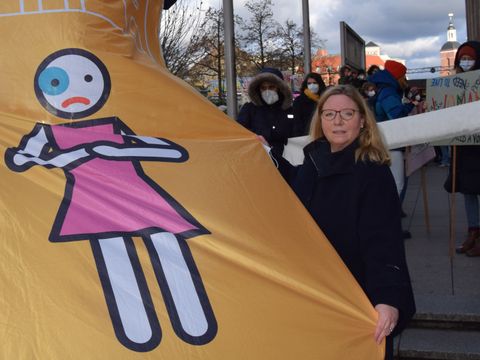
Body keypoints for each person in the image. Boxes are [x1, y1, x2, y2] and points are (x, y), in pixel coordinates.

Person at [271, 85, 415, 360]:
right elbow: (294, 183)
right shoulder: (316, 161)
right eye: (330, 113)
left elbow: (383, 241)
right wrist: (265, 155)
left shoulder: (372, 173)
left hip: (354, 293)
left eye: (347, 113)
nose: (337, 121)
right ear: (320, 120)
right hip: (316, 294)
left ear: (362, 121)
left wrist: (387, 299)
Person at [369, 60, 419, 238]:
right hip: (391, 144)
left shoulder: (384, 90)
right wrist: (411, 104)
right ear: (397, 76)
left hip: (385, 143)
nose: (405, 80)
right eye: (403, 76)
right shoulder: (389, 92)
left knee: (390, 185)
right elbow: (396, 114)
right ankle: (389, 227)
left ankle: (386, 225)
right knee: (395, 186)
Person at [444, 40, 480, 256]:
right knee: (468, 190)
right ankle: (473, 231)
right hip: (465, 146)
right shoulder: (454, 83)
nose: (466, 62)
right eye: (463, 59)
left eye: (470, 58)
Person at [237, 67, 294, 158]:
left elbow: (297, 133)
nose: (267, 91)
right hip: (256, 157)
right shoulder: (249, 109)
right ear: (258, 89)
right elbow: (240, 131)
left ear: (279, 88)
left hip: (286, 160)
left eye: (271, 87)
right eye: (263, 88)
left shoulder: (289, 110)